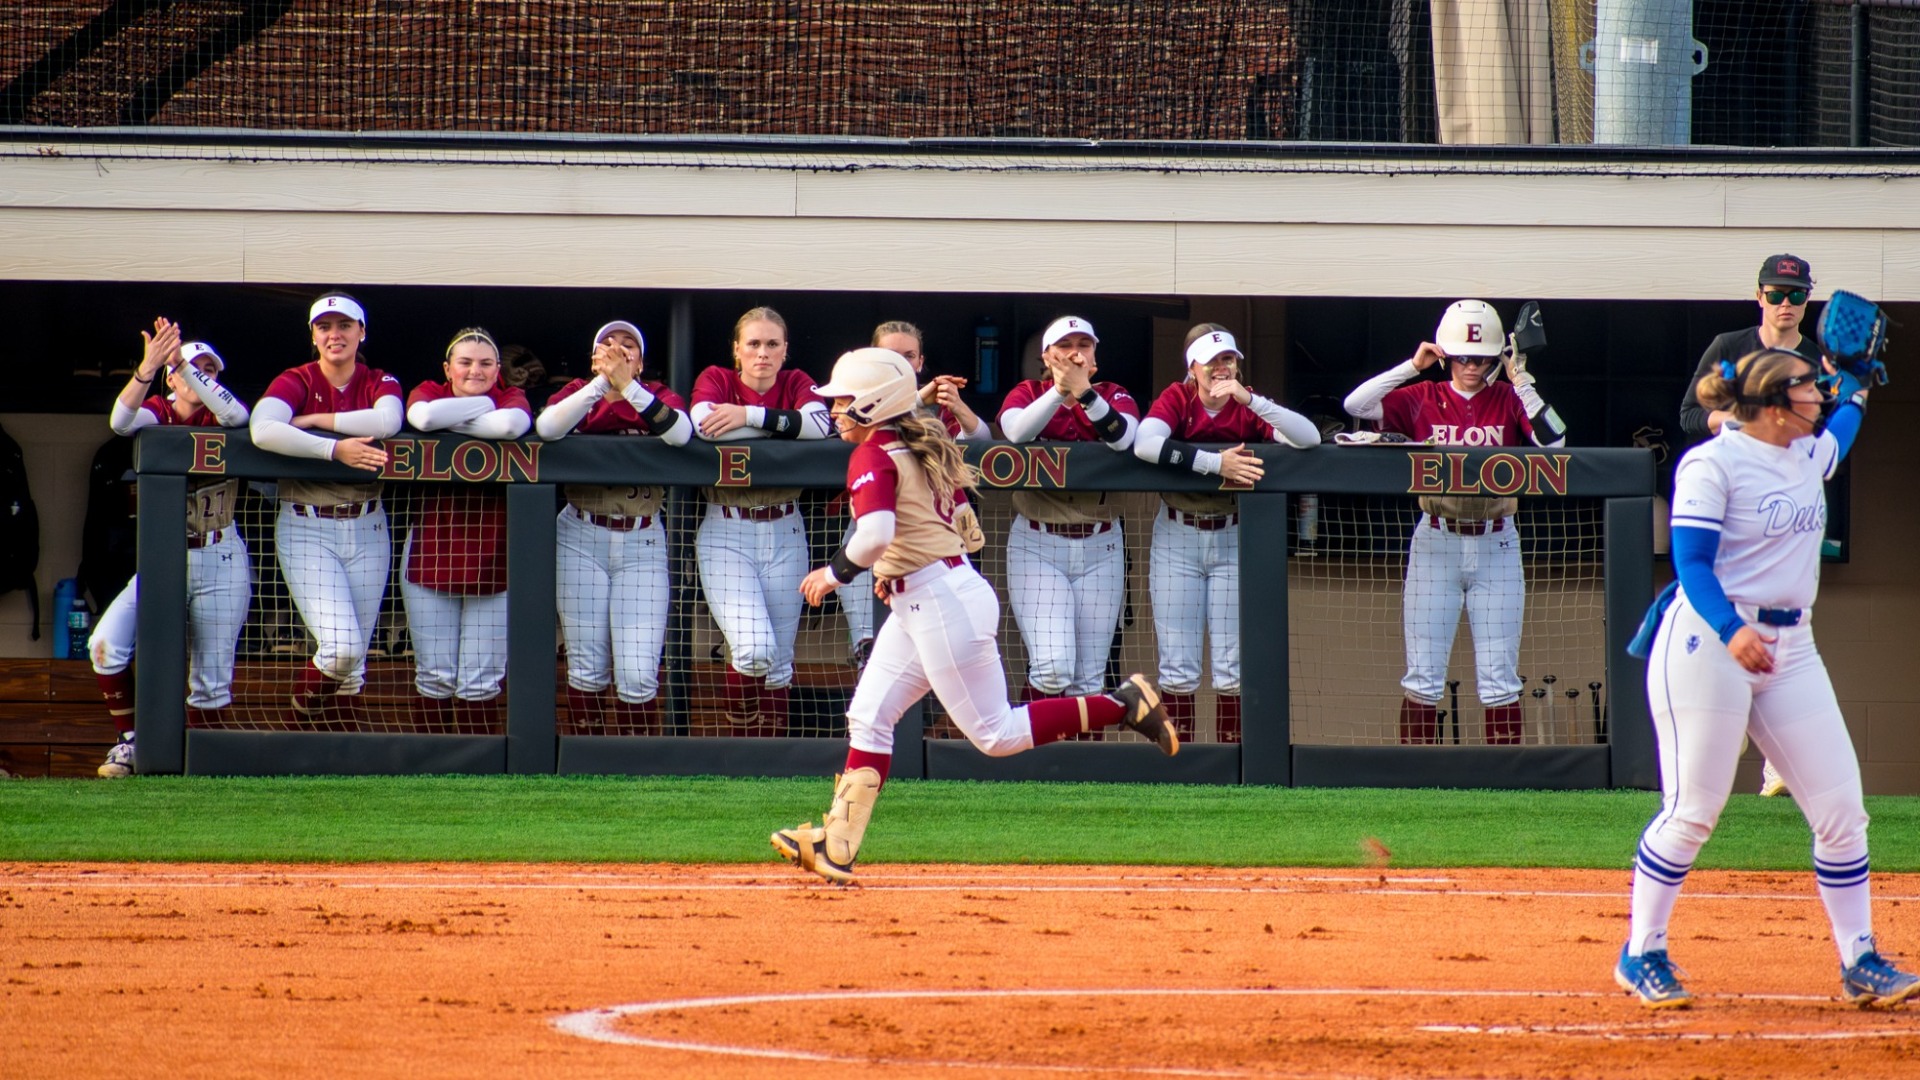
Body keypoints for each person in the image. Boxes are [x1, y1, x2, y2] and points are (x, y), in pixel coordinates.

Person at [770, 348, 1178, 885]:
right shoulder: (913, 441)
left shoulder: (875, 451)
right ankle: (838, 842)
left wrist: (834, 573)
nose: (836, 410)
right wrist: (896, 569)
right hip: (933, 593)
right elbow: (957, 527)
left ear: (875, 402)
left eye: (845, 400)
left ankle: (1121, 705)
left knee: (994, 734)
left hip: (939, 601)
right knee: (868, 716)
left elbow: (874, 535)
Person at [1617, 309, 1916, 1009]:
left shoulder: (1805, 452)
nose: (1820, 395)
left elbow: (1844, 427)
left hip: (1792, 644)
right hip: (1709, 639)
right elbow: (1691, 563)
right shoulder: (1712, 462)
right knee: (1694, 809)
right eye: (1809, 388)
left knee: (1842, 809)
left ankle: (1860, 960)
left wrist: (1859, 385)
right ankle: (1642, 951)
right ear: (1776, 406)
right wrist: (1730, 629)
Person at [1343, 300, 1567, 745]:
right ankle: (1417, 778)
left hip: (1497, 540)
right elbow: (1356, 403)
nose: (1472, 366)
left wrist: (1520, 379)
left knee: (1500, 677)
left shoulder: (1507, 397)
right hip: (1436, 538)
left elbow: (1555, 441)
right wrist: (1413, 366)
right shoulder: (1422, 396)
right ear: (1446, 354)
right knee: (1423, 675)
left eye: (1481, 358)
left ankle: (1503, 780)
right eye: (1462, 356)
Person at [1133, 324, 1321, 743]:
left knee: (1232, 666)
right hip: (1178, 533)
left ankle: (1233, 765)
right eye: (1211, 361)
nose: (1221, 367)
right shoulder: (1178, 397)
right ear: (1192, 368)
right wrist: (1216, 464)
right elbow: (1145, 444)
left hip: (1233, 535)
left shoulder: (1247, 402)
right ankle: (1179, 766)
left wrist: (1250, 399)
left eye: (1228, 359)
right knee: (1178, 667)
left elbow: (1308, 438)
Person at [1679, 254, 1821, 799]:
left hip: (1785, 499)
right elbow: (1690, 415)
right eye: (1776, 293)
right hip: (1732, 495)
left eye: (1795, 294)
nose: (1785, 303)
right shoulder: (1730, 346)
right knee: (1729, 610)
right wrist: (1733, 419)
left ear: (1807, 300)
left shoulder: (1813, 359)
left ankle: (1776, 761)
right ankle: (1733, 725)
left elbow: (1823, 433)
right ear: (1759, 295)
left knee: (1786, 616)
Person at [91, 318, 251, 777]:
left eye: (208, 369)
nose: (199, 374)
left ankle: (203, 769)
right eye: (186, 367)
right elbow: (120, 422)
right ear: (169, 378)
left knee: (211, 677)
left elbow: (238, 417)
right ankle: (130, 743)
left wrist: (183, 364)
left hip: (220, 553)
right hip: (165, 557)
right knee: (104, 644)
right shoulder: (157, 409)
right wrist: (149, 368)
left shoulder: (222, 412)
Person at [250, 291, 402, 730]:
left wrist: (316, 422)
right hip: (307, 522)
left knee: (354, 666)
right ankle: (296, 725)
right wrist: (335, 450)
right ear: (313, 335)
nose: (335, 335)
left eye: (344, 325)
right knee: (341, 648)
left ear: (361, 332)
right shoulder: (297, 378)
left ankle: (339, 756)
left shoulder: (378, 378)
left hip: (368, 523)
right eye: (324, 327)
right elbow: (262, 429)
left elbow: (388, 421)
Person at [535, 320, 691, 735]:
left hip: (642, 537)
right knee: (586, 665)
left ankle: (635, 764)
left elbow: (680, 433)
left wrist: (628, 385)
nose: (619, 349)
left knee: (638, 671)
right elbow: (547, 427)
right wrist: (602, 384)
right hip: (581, 533)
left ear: (640, 362)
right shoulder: (578, 391)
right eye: (608, 344)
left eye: (628, 345)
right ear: (594, 358)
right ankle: (588, 764)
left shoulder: (658, 394)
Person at [691, 306, 833, 735]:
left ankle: (772, 760)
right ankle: (740, 752)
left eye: (772, 344)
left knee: (780, 663)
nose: (762, 353)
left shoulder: (795, 381)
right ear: (737, 349)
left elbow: (820, 425)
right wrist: (784, 431)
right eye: (753, 343)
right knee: (754, 650)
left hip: (786, 527)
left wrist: (748, 417)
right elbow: (704, 426)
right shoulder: (717, 377)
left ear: (785, 349)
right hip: (727, 527)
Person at [997, 316, 1140, 707]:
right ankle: (1027, 745)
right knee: (1052, 667)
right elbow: (1017, 432)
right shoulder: (1028, 392)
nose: (1075, 353)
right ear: (1047, 356)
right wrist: (1061, 390)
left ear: (1095, 355)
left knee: (1089, 679)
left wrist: (1085, 393)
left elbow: (1122, 438)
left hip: (1101, 544)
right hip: (1037, 541)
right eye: (1064, 346)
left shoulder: (1114, 393)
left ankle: (1078, 751)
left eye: (1084, 345)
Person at [401, 327, 532, 734]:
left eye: (486, 363)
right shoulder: (428, 389)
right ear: (448, 368)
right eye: (465, 362)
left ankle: (481, 765)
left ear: (498, 369)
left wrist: (451, 421)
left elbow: (510, 425)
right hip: (432, 542)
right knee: (435, 675)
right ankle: (432, 763)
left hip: (495, 548)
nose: (476, 370)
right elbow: (423, 417)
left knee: (480, 679)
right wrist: (480, 409)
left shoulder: (511, 395)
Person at [840, 320, 990, 669]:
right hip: (870, 522)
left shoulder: (936, 404)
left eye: (909, 356)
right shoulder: (854, 394)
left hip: (929, 533)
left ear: (921, 362)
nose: (901, 363)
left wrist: (956, 405)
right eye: (891, 355)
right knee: (870, 647)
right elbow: (867, 423)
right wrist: (918, 398)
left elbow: (983, 442)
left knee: (930, 650)